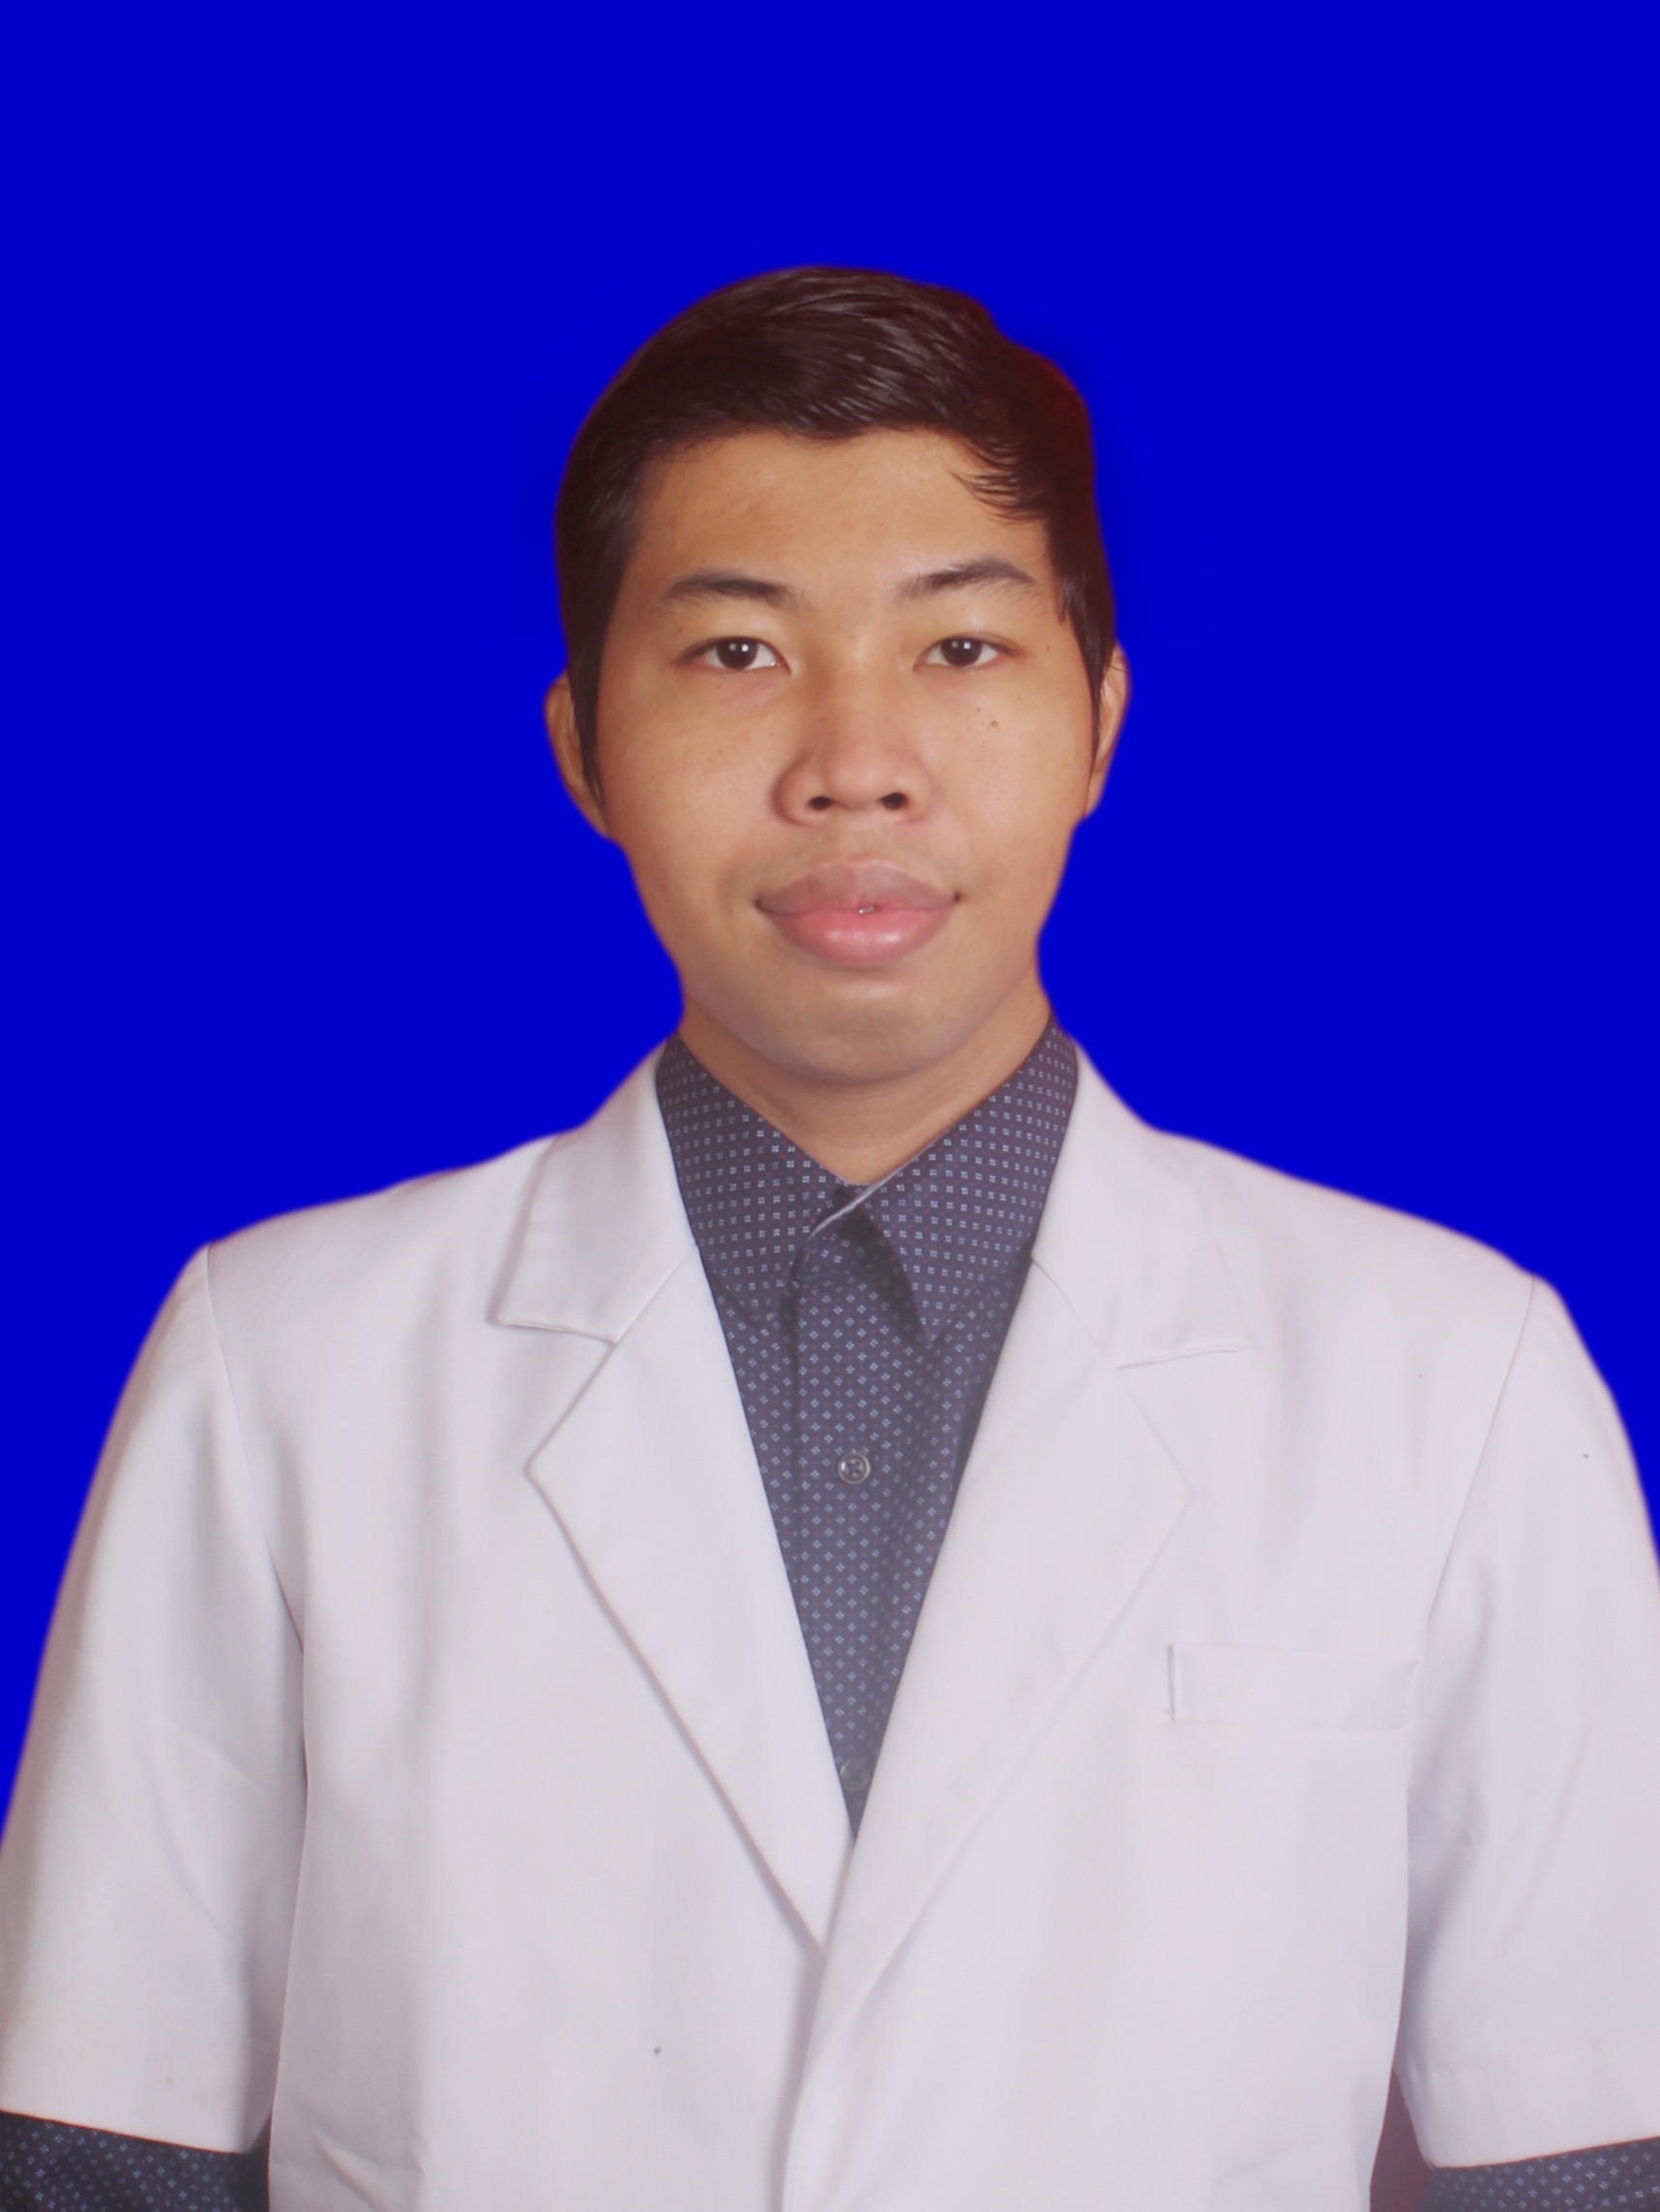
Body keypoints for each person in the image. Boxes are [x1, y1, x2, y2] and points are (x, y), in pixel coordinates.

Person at [1, 268, 1657, 2212]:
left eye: (960, 646)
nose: (855, 760)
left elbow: (1582, 2158)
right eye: (735, 652)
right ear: (580, 746)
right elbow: (99, 2152)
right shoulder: (281, 1364)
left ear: (1102, 720)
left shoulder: (1451, 1381)